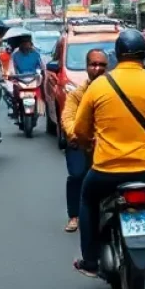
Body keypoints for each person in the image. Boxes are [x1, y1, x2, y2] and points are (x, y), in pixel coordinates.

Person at [72, 29, 145, 276]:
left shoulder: (99, 86)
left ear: (117, 55)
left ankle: (90, 261)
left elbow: (80, 130)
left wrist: (86, 143)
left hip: (107, 170)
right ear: (144, 55)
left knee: (87, 199)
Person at [61, 47, 108, 233]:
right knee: (77, 175)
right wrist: (78, 136)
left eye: (102, 65)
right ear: (86, 67)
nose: (97, 69)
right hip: (82, 142)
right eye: (93, 64)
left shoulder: (113, 92)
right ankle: (74, 215)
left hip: (108, 144)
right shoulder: (77, 94)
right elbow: (68, 118)